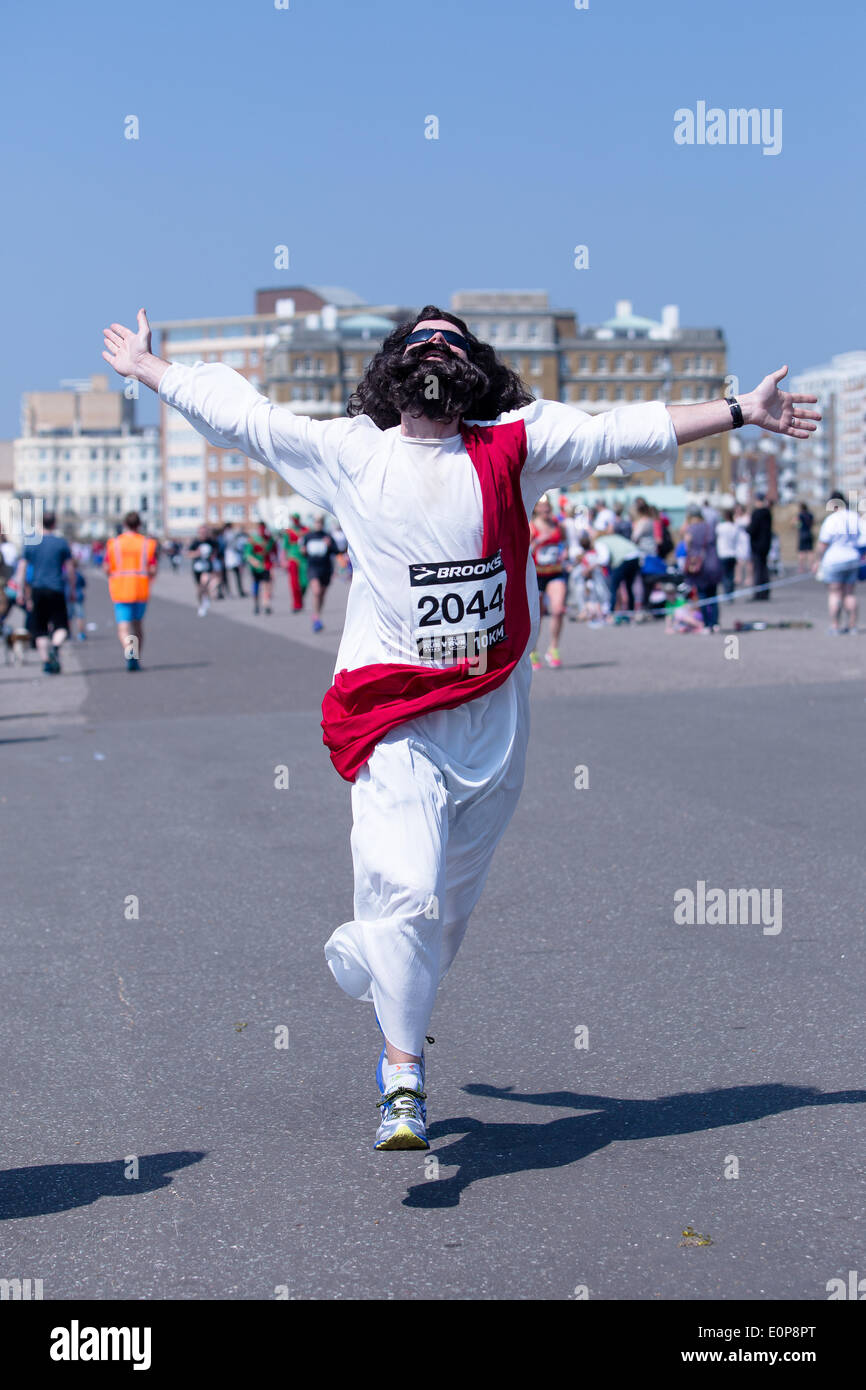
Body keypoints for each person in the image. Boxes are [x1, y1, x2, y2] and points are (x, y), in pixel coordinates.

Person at [104, 304, 819, 1151]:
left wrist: (741, 411)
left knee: (438, 917)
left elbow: (625, 429)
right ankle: (402, 1077)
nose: (434, 351)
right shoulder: (351, 453)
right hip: (396, 713)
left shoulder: (516, 444)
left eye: (450, 342)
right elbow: (245, 416)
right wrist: (153, 375)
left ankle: (376, 957)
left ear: (474, 371)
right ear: (392, 371)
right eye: (420, 343)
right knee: (405, 886)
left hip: (493, 722)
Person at [13, 511, 76, 674]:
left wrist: (20, 592)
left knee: (39, 628)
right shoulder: (61, 543)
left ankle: (46, 661)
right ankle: (55, 647)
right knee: (61, 626)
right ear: (54, 524)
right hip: (56, 589)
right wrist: (73, 589)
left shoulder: (31, 543)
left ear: (41, 524)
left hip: (37, 589)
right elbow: (70, 569)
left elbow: (21, 569)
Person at [102, 512, 158, 669]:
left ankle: (129, 651)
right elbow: (153, 568)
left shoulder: (114, 544)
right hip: (140, 588)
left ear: (124, 525)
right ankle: (135, 656)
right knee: (137, 625)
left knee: (124, 626)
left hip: (120, 589)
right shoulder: (147, 543)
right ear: (139, 525)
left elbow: (106, 567)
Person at [528, 495, 569, 667]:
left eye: (548, 508)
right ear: (536, 508)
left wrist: (565, 553)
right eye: (542, 507)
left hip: (555, 572)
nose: (546, 511)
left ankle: (553, 648)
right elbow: (524, 550)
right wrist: (538, 542)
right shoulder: (531, 527)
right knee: (537, 616)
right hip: (536, 575)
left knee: (558, 610)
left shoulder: (557, 526)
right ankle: (533, 650)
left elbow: (565, 544)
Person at [814, 491, 862, 634]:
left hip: (834, 560)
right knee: (849, 593)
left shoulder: (832, 520)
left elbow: (823, 543)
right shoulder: (855, 517)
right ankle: (852, 625)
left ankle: (835, 626)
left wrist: (817, 560)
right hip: (853, 559)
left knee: (835, 594)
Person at [681, 504, 721, 630]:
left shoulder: (691, 529)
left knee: (702, 595)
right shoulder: (709, 527)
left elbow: (686, 546)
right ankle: (715, 623)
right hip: (713, 563)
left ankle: (707, 624)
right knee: (713, 595)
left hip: (699, 565)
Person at [301, 515, 340, 632]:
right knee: (316, 592)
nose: (318, 524)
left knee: (322, 595)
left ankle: (317, 615)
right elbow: (303, 551)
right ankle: (317, 618)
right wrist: (303, 551)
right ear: (314, 523)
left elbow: (337, 551)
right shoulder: (308, 536)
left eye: (320, 522)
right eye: (316, 522)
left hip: (326, 569)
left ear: (323, 524)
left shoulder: (327, 536)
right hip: (313, 568)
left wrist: (330, 545)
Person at [245, 520, 277, 615]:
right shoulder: (253, 539)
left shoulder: (269, 539)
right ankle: (256, 605)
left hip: (266, 564)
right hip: (255, 566)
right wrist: (253, 560)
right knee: (256, 586)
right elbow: (247, 553)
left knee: (267, 585)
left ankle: (266, 604)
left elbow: (273, 551)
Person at [188, 525, 219, 615]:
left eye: (205, 532)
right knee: (199, 590)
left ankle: (207, 598)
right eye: (201, 532)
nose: (203, 534)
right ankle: (202, 603)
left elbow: (216, 553)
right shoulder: (195, 543)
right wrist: (197, 553)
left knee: (204, 582)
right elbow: (189, 554)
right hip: (197, 568)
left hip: (207, 568)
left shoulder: (212, 542)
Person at [747, 493, 773, 600]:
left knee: (758, 570)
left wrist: (746, 529)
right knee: (764, 569)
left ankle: (758, 593)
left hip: (757, 545)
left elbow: (752, 529)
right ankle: (765, 592)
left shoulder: (756, 513)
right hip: (766, 544)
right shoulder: (767, 513)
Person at [715, 507, 739, 599]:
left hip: (723, 553)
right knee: (731, 575)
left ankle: (727, 594)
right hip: (732, 553)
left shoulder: (721, 527)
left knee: (725, 575)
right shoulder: (734, 526)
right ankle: (730, 593)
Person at [221, 525, 246, 597]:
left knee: (237, 575)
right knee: (229, 576)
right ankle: (228, 591)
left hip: (234, 558)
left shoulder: (233, 535)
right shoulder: (227, 536)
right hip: (229, 557)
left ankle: (239, 590)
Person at [795, 501, 815, 573]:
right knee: (810, 551)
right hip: (809, 533)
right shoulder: (810, 515)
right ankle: (812, 567)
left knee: (801, 552)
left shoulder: (800, 515)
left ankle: (801, 568)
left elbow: (797, 525)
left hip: (802, 534)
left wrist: (797, 525)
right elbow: (813, 523)